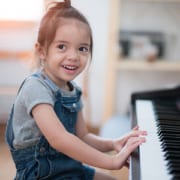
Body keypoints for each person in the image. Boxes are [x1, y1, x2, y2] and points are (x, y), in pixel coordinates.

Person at [5, 0, 147, 179]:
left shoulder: (73, 91)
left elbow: (83, 136)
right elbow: (60, 139)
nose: (73, 56)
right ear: (42, 51)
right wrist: (110, 161)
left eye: (82, 49)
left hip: (69, 167)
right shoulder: (35, 88)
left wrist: (113, 143)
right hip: (40, 174)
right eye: (61, 47)